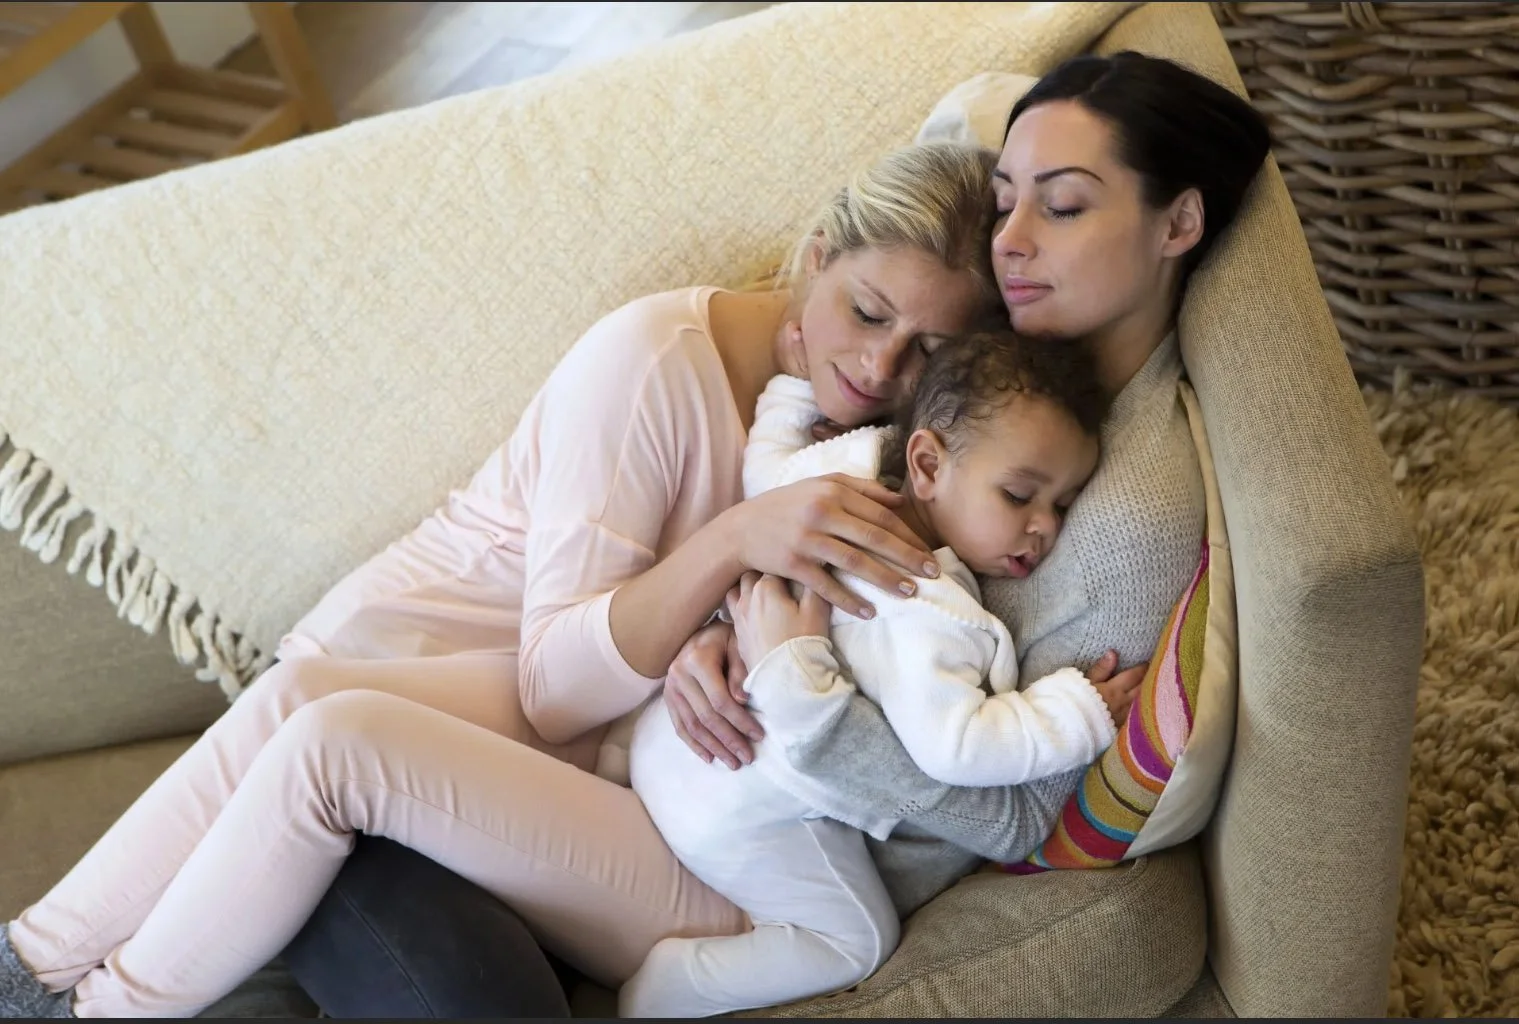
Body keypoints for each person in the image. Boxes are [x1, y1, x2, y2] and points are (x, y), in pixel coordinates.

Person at [274, 49, 1271, 1019]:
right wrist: (717, 626)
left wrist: (796, 680)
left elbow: (1004, 810)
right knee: (340, 819)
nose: (1010, 238)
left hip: (743, 839)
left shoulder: (1122, 513)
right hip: (657, 758)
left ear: (1178, 221)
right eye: (1009, 198)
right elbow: (817, 528)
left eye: (1057, 207)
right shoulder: (993, 337)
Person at [0, 140, 1015, 1019]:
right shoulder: (660, 365)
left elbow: (611, 690)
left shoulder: (897, 453)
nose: (882, 366)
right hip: (549, 727)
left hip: (704, 835)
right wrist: (725, 560)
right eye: (867, 311)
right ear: (817, 258)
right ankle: (29, 970)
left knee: (329, 731)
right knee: (311, 700)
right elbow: (557, 688)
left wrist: (726, 590)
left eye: (929, 349)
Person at [620, 330, 1135, 1018]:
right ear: (925, 464)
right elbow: (955, 747)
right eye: (1018, 495)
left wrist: (792, 390)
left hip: (662, 739)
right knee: (856, 942)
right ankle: (670, 989)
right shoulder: (925, 607)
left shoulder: (834, 487)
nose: (1042, 527)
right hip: (746, 801)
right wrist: (1076, 711)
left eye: (1062, 505)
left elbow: (764, 471)